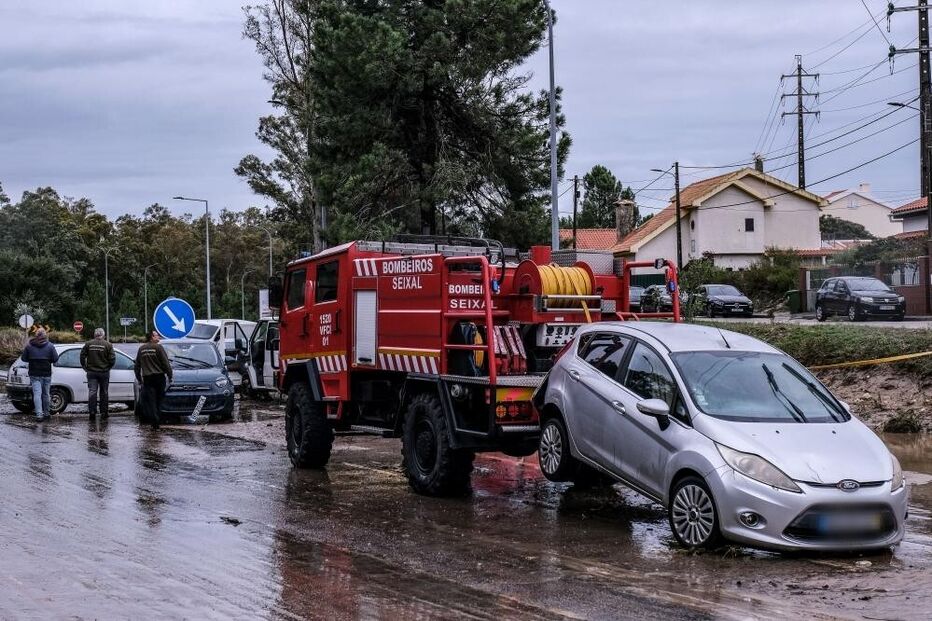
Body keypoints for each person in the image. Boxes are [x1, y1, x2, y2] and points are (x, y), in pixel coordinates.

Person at [134, 330, 173, 430]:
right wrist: (170, 375)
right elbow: (165, 363)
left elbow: (137, 366)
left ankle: (154, 423)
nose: (159, 337)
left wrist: (139, 378)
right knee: (159, 400)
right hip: (159, 377)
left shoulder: (141, 349)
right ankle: (157, 421)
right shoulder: (158, 347)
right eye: (156, 335)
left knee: (151, 401)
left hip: (147, 378)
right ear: (151, 337)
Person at [20, 328, 60, 421]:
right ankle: (46, 413)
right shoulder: (50, 346)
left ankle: (39, 415)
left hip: (34, 374)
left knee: (37, 394)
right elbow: (55, 359)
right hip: (46, 374)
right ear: (45, 336)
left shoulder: (29, 346)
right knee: (46, 394)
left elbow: (23, 359)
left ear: (36, 336)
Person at [80, 328, 116, 419]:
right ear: (103, 335)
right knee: (104, 392)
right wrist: (108, 368)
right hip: (104, 372)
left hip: (92, 372)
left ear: (95, 334)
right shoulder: (108, 345)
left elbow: (82, 356)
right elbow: (112, 359)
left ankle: (92, 412)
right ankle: (104, 412)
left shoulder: (88, 344)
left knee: (92, 392)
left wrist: (85, 367)